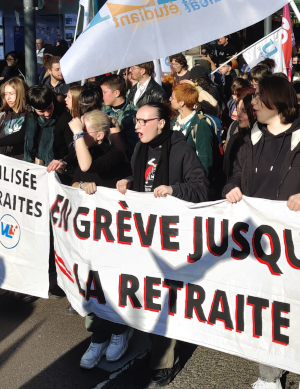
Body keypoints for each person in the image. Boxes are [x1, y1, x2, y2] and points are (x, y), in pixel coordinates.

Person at [222, 76, 300, 389]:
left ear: (276, 102)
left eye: (259, 97)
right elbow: (236, 175)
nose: (253, 104)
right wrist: (232, 187)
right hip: (259, 242)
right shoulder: (251, 140)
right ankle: (269, 375)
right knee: (266, 310)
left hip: (298, 244)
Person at [116, 102, 209, 387]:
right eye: (136, 122)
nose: (138, 126)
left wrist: (173, 190)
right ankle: (155, 347)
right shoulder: (140, 149)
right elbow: (144, 182)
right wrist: (129, 182)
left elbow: (202, 188)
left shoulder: (181, 149)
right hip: (145, 235)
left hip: (172, 237)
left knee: (164, 298)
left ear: (161, 123)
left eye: (144, 121)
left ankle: (164, 362)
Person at [68, 109, 134, 370]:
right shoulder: (84, 149)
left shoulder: (113, 154)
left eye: (84, 133)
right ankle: (99, 337)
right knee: (93, 285)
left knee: (113, 285)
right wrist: (80, 187)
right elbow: (75, 180)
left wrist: (76, 136)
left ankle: (120, 332)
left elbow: (88, 168)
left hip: (113, 234)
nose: (80, 137)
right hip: (89, 235)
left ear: (99, 134)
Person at [169, 83, 220, 178]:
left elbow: (206, 160)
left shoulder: (201, 125)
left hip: (192, 180)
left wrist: (200, 185)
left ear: (181, 103)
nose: (170, 100)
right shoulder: (174, 121)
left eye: (172, 97)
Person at [100, 74, 138, 153]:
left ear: (116, 93)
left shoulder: (133, 114)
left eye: (104, 92)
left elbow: (133, 145)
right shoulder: (102, 110)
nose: (102, 96)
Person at [223, 89, 255, 180]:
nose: (238, 114)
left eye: (244, 111)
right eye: (238, 109)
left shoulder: (262, 140)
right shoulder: (234, 129)